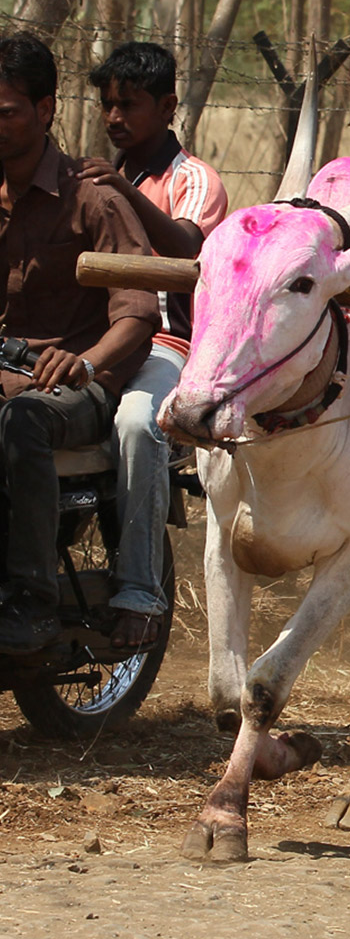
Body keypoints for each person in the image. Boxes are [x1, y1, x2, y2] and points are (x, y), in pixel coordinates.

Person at [0, 32, 160, 652]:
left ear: (44, 111)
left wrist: (85, 363)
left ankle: (33, 600)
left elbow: (139, 314)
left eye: (8, 112)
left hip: (75, 388)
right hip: (7, 372)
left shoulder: (90, 197)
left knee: (21, 422)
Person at [78, 42, 228, 647]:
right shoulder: (99, 176)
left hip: (168, 344)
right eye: (107, 104)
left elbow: (187, 246)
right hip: (98, 337)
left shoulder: (194, 179)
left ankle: (140, 593)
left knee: (140, 422)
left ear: (166, 106)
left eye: (129, 105)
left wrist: (118, 188)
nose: (114, 117)